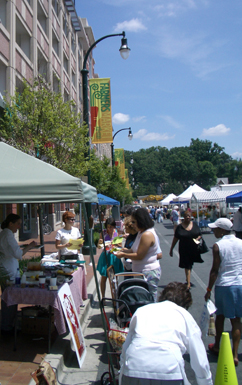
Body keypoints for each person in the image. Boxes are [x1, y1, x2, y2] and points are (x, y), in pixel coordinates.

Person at [119, 282, 213, 385]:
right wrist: (206, 381)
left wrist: (121, 374)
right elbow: (200, 360)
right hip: (168, 369)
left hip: (134, 366)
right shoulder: (184, 315)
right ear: (185, 305)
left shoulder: (142, 311)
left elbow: (126, 347)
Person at [205, 218, 242, 367]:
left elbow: (214, 271)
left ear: (222, 230)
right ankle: (234, 354)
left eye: (215, 229)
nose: (213, 231)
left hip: (224, 285)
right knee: (236, 320)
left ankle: (218, 345)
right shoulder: (240, 242)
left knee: (220, 317)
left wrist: (208, 289)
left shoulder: (218, 246)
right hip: (240, 283)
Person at [0, 213, 37, 334]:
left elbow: (11, 250)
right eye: (18, 224)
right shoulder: (8, 235)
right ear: (11, 224)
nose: (19, 227)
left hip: (6, 268)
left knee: (8, 298)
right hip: (8, 270)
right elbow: (18, 255)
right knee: (10, 299)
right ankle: (7, 326)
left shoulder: (5, 234)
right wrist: (30, 246)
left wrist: (22, 247)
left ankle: (8, 323)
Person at [116, 208, 161, 301]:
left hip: (148, 272)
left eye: (134, 222)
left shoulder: (147, 234)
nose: (133, 225)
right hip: (140, 271)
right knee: (141, 298)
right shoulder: (141, 233)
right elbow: (133, 250)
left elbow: (139, 255)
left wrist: (123, 255)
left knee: (149, 299)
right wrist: (123, 251)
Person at [170, 210, 203, 289]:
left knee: (190, 265)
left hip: (193, 248)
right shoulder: (180, 227)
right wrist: (171, 249)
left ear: (191, 216)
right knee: (187, 265)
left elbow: (200, 234)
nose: (188, 217)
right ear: (183, 217)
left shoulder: (194, 225)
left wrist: (197, 239)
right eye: (186, 216)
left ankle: (187, 278)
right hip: (184, 249)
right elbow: (175, 238)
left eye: (189, 216)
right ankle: (188, 283)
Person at [97, 217, 124, 298]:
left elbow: (120, 245)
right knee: (104, 277)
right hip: (105, 256)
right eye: (108, 227)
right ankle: (103, 297)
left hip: (114, 257)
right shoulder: (103, 233)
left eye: (111, 227)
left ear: (114, 227)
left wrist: (114, 243)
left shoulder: (116, 233)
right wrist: (100, 243)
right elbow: (99, 246)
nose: (110, 229)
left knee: (114, 279)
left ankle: (114, 297)